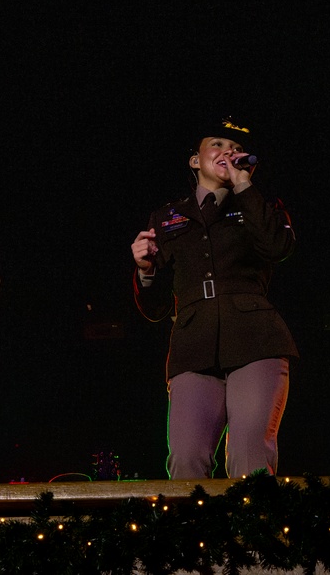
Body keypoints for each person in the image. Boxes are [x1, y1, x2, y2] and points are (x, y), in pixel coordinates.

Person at [131, 119, 298, 479]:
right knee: (186, 457)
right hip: (194, 345)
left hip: (254, 339)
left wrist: (244, 185)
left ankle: (253, 533)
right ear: (195, 161)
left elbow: (277, 247)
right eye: (217, 144)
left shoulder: (259, 203)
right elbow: (156, 307)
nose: (228, 152)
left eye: (235, 148)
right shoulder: (168, 217)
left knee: (250, 454)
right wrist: (145, 270)